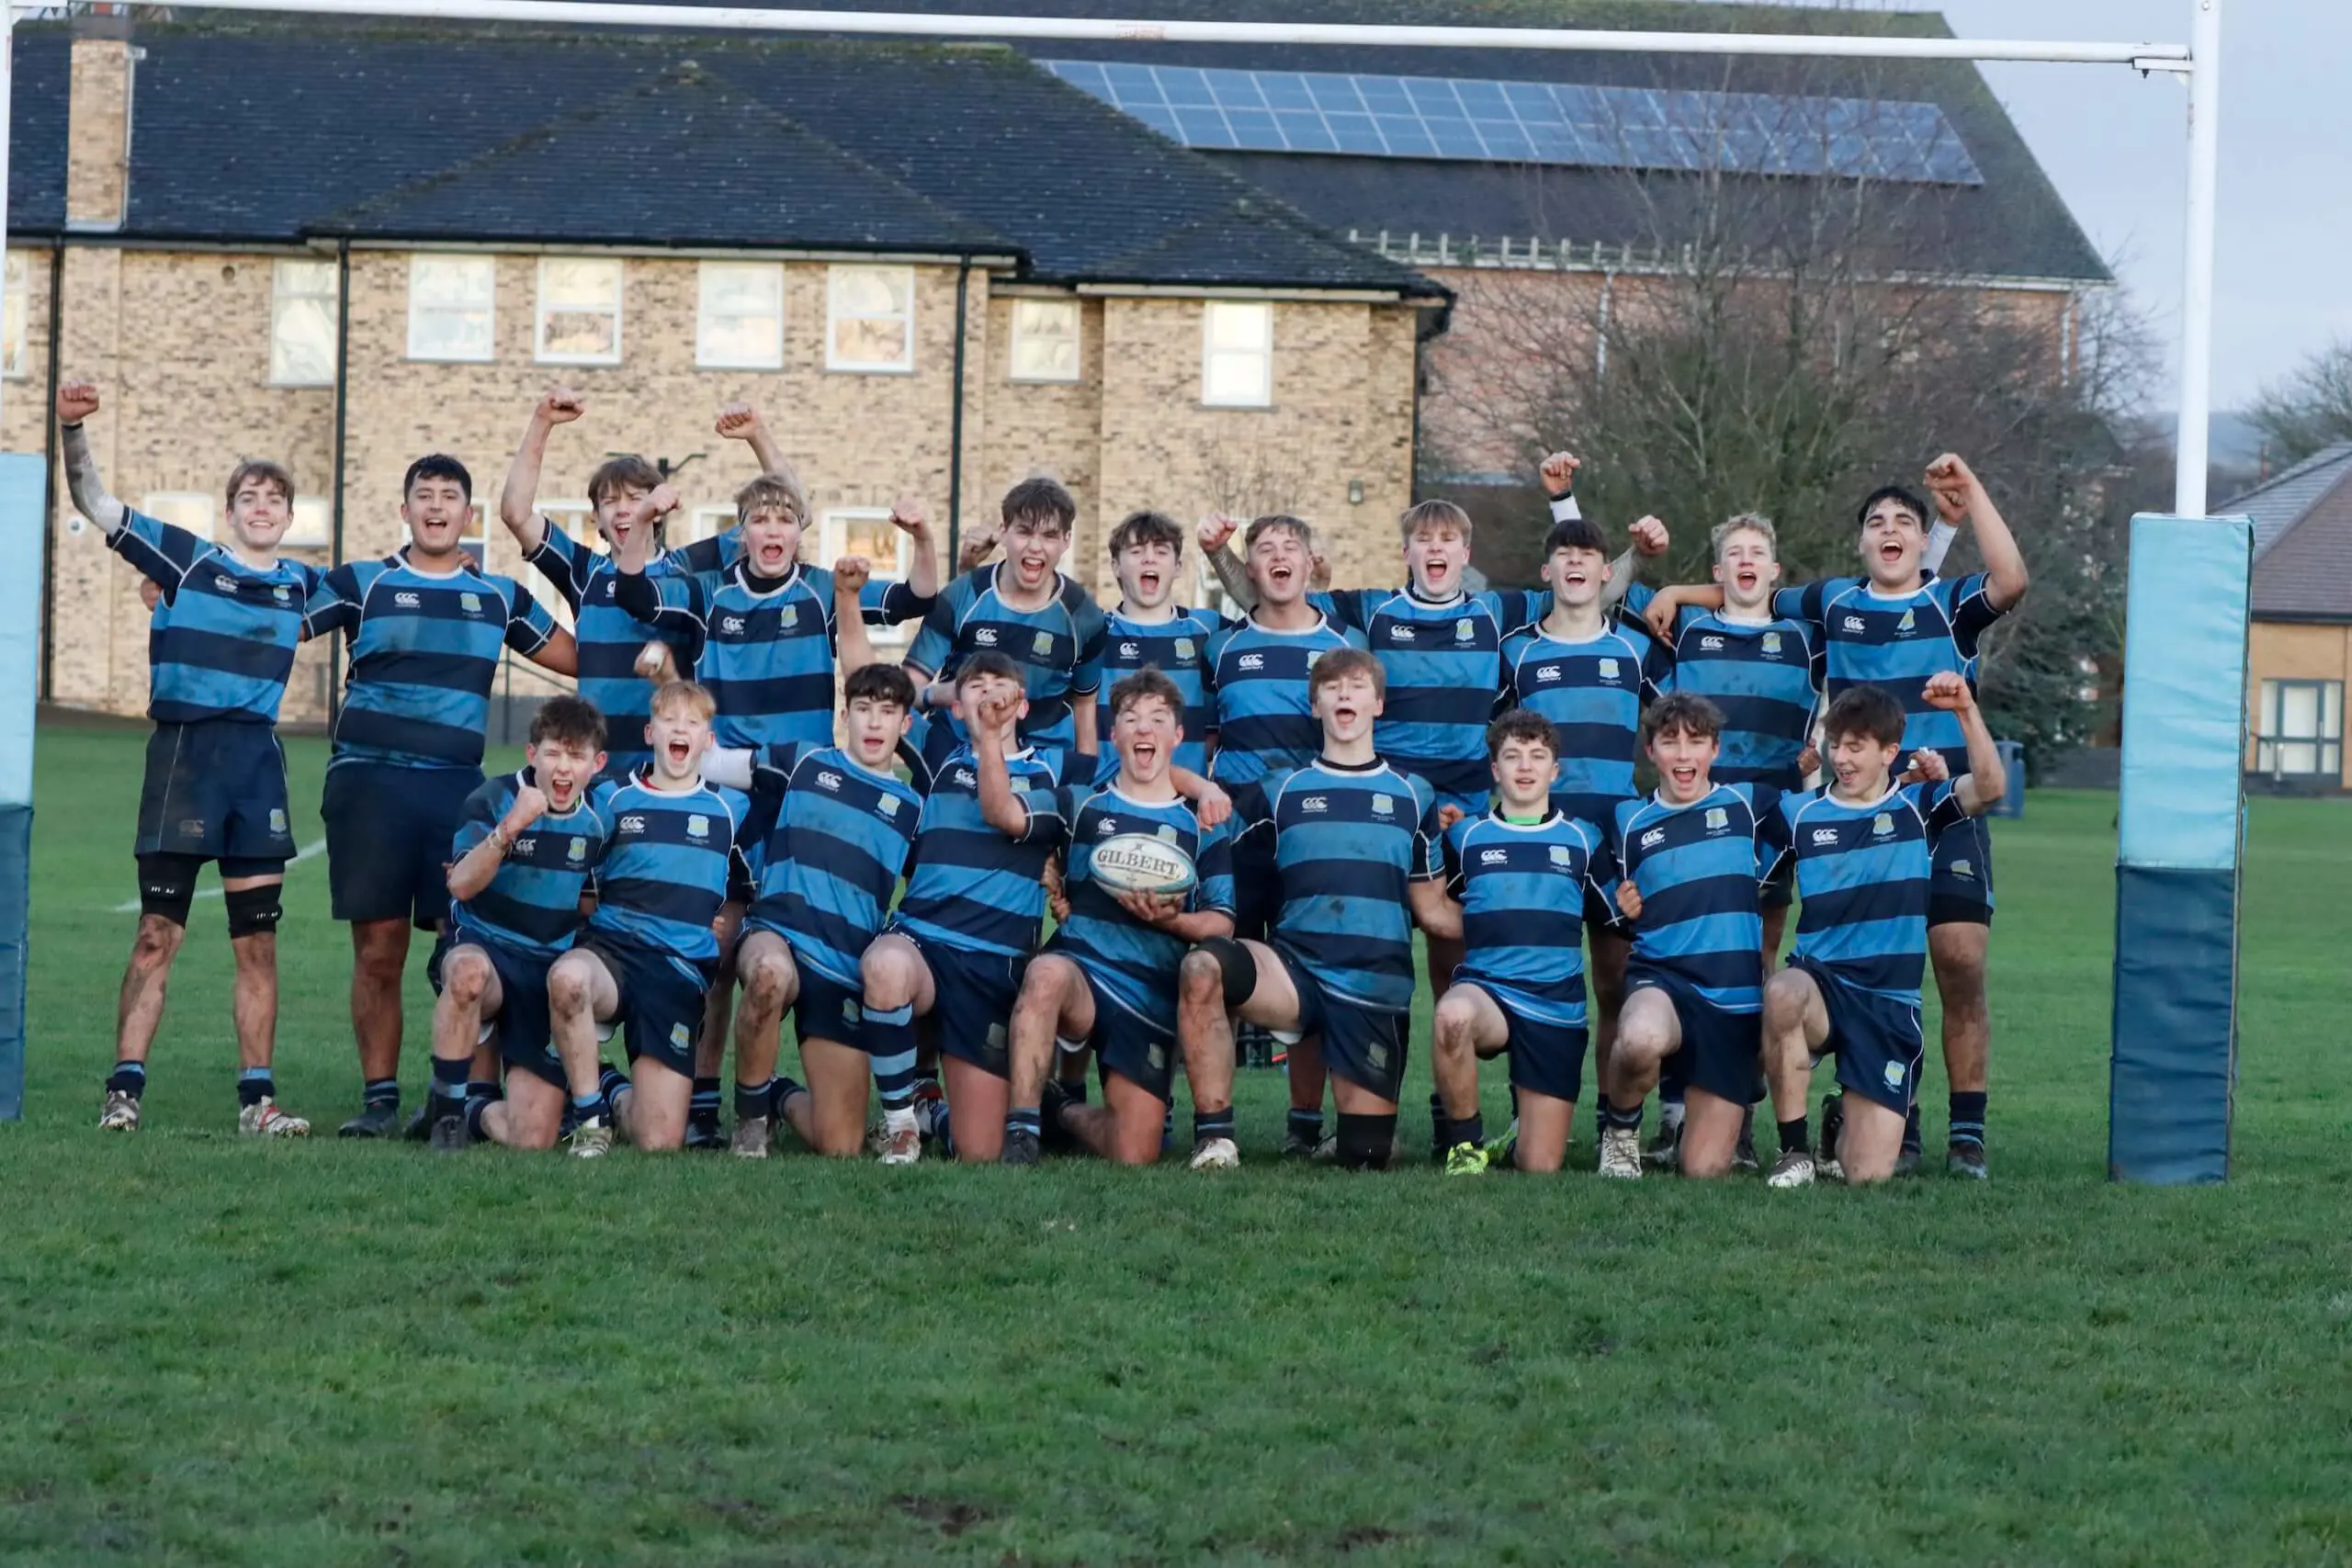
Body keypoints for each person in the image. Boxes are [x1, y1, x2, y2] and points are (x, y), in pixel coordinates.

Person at [614, 479, 936, 1146]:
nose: (772, 530)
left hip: (810, 793)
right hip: (735, 789)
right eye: (759, 519)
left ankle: (785, 1091)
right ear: (741, 532)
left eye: (784, 520)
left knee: (841, 1136)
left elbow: (915, 598)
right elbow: (637, 591)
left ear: (799, 534)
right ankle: (711, 1102)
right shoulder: (709, 591)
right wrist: (644, 519)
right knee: (723, 946)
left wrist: (922, 537)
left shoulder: (821, 589)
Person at [59, 378, 318, 1136]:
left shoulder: (302, 585)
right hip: (184, 759)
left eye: (275, 497)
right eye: (249, 495)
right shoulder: (185, 560)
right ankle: (123, 1093)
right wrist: (72, 428)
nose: (262, 506)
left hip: (256, 767)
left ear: (289, 515)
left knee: (257, 942)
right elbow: (95, 504)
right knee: (156, 932)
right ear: (230, 508)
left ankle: (257, 1103)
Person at [1758, 457, 2027, 1179]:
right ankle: (1886, 1110)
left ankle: (1966, 1131)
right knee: (1866, 961)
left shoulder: (1951, 605)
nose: (1890, 529)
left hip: (1942, 807)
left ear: (1922, 541)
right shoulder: (1833, 602)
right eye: (1876, 521)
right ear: (1861, 544)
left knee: (1961, 962)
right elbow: (1750, 594)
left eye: (1905, 521)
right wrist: (1677, 593)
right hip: (1859, 818)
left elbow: (2012, 579)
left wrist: (1974, 492)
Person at [300, 455, 577, 1139]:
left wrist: (656, 644)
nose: (435, 506)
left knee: (464, 941)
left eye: (449, 497)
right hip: (368, 783)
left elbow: (578, 656)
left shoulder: (498, 597)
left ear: (467, 515)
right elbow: (280, 622)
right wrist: (176, 599)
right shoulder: (361, 582)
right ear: (404, 510)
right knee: (378, 947)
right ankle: (381, 1100)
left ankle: (455, 1095)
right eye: (422, 495)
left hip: (456, 791)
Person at [1175, 649, 1454, 1171]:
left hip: (1374, 989)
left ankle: (1350, 1132)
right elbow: (1203, 829)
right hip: (1295, 974)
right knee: (1202, 966)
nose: (1344, 693)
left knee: (1366, 1156)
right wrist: (1200, 784)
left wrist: (1510, 921)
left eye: (1355, 685)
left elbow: (1434, 910)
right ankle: (1215, 1140)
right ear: (1315, 705)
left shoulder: (1414, 795)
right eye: (1331, 686)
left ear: (1378, 703)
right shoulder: (1281, 791)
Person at [1625, 513, 1820, 1168]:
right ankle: (1673, 1114)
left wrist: (1679, 586)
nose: (1744, 561)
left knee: (1756, 962)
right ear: (1716, 572)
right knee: (1683, 953)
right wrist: (1676, 595)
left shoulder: (1805, 637)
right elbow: (1606, 594)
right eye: (1732, 553)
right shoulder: (1685, 631)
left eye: (1757, 553)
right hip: (1687, 822)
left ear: (1774, 571)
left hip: (1767, 824)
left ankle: (1734, 1111)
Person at [1762, 676, 2006, 1186]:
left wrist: (1965, 711)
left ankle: (1838, 1124)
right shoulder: (1798, 813)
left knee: (1867, 1176)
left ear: (1889, 751)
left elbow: (1989, 787)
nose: (1843, 758)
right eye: (1836, 745)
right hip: (1821, 987)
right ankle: (1794, 1153)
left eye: (1856, 747)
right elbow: (1749, 880)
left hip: (1887, 1004)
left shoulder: (1919, 808)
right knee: (1782, 994)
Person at [994, 668, 1238, 1168]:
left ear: (1177, 736)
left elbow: (1222, 923)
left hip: (1147, 994)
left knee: (1136, 1151)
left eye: (1157, 719)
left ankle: (1058, 1109)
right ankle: (1021, 1133)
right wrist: (987, 738)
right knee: (1046, 972)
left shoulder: (1201, 826)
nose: (1143, 729)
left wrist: (1173, 922)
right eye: (1131, 719)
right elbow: (1007, 814)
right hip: (1082, 972)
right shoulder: (1082, 805)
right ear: (1115, 735)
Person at [495, 389, 792, 780]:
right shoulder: (585, 573)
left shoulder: (688, 571)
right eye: (610, 501)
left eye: (636, 498)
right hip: (595, 771)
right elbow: (516, 513)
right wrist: (541, 421)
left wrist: (758, 435)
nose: (623, 509)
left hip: (671, 772)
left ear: (657, 511)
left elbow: (786, 512)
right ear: (597, 519)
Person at [708, 647, 926, 1162]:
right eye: (864, 708)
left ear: (905, 723)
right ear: (844, 715)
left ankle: (777, 1094)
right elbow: (710, 762)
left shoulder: (915, 809)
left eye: (888, 711)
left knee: (841, 1144)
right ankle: (750, 1123)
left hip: (844, 967)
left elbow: (936, 891)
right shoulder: (802, 761)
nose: (874, 722)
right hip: (776, 936)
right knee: (767, 976)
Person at [1501, 511, 1671, 1141]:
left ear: (1607, 574)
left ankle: (1614, 1125)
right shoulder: (1516, 651)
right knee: (1531, 979)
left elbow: (1680, 725)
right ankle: (1528, 1117)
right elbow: (1489, 740)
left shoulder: (1635, 647)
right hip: (1536, 839)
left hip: (1614, 840)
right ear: (1548, 573)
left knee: (1615, 984)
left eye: (1588, 557)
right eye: (1563, 557)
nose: (1576, 566)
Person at [857, 653, 1066, 1164]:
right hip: (924, 943)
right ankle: (902, 1124)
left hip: (991, 966)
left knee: (981, 1151)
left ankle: (935, 1110)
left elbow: (1000, 812)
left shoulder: (1044, 777)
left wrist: (990, 739)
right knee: (884, 965)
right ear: (956, 706)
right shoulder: (937, 764)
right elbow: (868, 689)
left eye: (1001, 686)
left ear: (1022, 706)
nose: (988, 695)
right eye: (975, 687)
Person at [546, 681, 743, 1156]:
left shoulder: (732, 809)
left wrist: (728, 925)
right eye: (670, 722)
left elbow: (743, 893)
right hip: (612, 955)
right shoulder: (610, 798)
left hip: (676, 972)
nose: (681, 730)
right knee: (568, 978)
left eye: (693, 723)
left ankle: (608, 1085)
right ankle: (590, 1119)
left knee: (658, 1141)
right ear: (649, 732)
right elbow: (578, 875)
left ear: (708, 741)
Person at [1601, 694, 1787, 1180]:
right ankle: (1620, 1135)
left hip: (1733, 1000)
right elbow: (1607, 901)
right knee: (1640, 1039)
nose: (1684, 756)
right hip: (1663, 982)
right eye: (1670, 742)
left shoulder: (1751, 805)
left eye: (1696, 742)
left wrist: (1909, 783)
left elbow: (1830, 816)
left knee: (1704, 1170)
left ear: (1715, 750)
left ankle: (1700, 1126)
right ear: (1651, 751)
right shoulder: (1627, 823)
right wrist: (1619, 907)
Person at [424, 696, 614, 1152]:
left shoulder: (600, 818)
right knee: (467, 975)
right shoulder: (493, 797)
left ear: (597, 763)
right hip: (484, 949)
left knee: (531, 1140)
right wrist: (511, 827)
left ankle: (467, 1107)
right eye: (552, 753)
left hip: (544, 970)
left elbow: (592, 901)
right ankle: (447, 1116)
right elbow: (462, 886)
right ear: (532, 754)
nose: (562, 768)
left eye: (576, 756)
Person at [1430, 708, 1611, 1176]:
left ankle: (1514, 1142)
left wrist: (1629, 909)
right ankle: (1465, 1146)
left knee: (1540, 1165)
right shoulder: (1465, 837)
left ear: (1555, 769)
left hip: (1556, 1004)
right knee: (1451, 1015)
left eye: (1537, 756)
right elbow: (1439, 906)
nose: (1524, 767)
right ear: (1495, 769)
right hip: (1487, 990)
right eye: (1512, 756)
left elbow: (1613, 915)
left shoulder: (1583, 840)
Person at [902, 477, 1106, 779]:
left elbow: (1085, 707)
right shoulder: (963, 594)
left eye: (1049, 536)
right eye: (1024, 532)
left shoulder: (1083, 616)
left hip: (1040, 765)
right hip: (960, 755)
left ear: (1066, 540)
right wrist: (938, 694)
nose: (1035, 546)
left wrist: (1083, 784)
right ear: (1004, 532)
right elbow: (903, 692)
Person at [1092, 511, 1220, 782]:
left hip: (1185, 805)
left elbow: (1270, 613)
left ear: (1178, 567)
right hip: (1107, 804)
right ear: (1115, 566)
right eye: (1137, 551)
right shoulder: (1093, 633)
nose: (1149, 558)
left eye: (1161, 551)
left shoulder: (1207, 630)